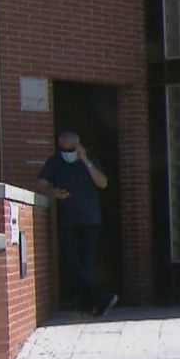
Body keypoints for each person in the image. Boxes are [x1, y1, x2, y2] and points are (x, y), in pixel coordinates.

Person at [36, 131, 117, 318]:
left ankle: (91, 306)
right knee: (72, 263)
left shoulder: (89, 160)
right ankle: (101, 298)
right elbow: (40, 184)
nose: (69, 150)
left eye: (72, 145)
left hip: (90, 220)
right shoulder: (55, 162)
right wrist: (53, 192)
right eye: (65, 146)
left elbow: (103, 183)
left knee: (87, 263)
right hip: (68, 220)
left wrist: (85, 160)